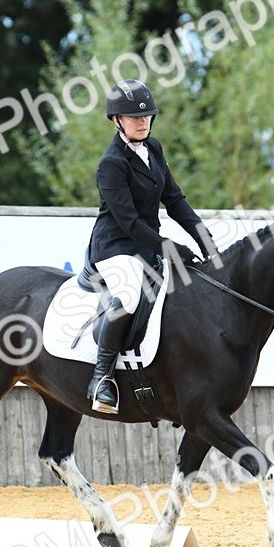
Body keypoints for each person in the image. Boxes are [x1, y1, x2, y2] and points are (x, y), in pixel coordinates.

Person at [83, 78, 220, 414]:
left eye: (146, 116)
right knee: (129, 296)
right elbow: (129, 222)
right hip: (116, 247)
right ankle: (102, 378)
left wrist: (206, 242)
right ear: (117, 120)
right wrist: (171, 247)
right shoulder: (111, 164)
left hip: (148, 245)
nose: (142, 121)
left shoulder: (154, 149)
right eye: (133, 117)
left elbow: (175, 201)